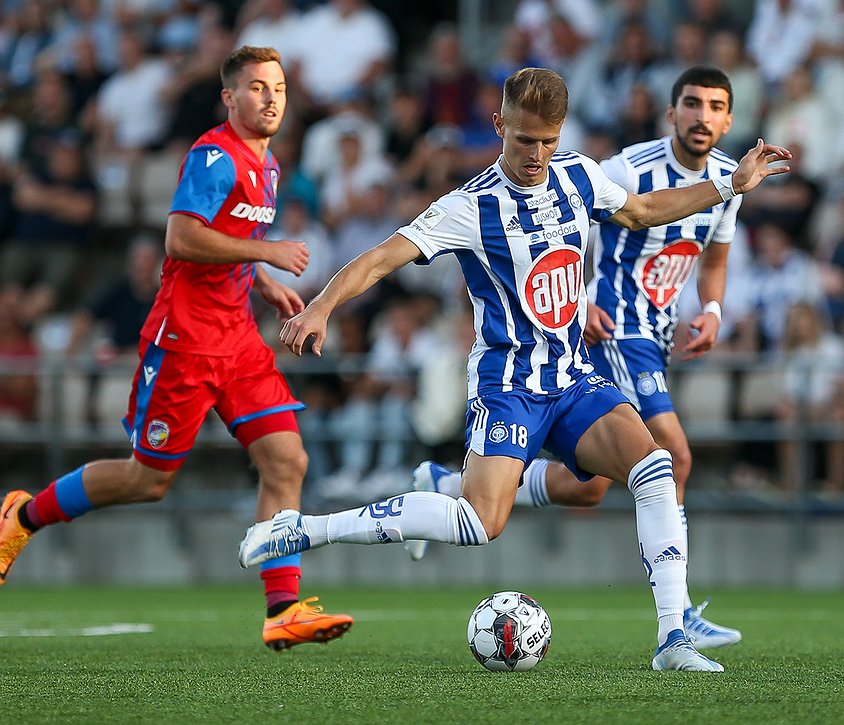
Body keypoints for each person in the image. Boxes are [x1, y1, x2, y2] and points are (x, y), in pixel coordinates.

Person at [238, 67, 790, 671]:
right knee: (480, 522)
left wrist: (729, 185)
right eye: (525, 140)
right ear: (499, 125)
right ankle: (305, 529)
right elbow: (381, 258)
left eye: (548, 141)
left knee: (655, 466)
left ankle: (672, 639)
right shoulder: (470, 207)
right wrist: (320, 306)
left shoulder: (579, 175)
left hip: (576, 376)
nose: (537, 154)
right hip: (509, 386)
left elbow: (644, 210)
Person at [0, 46, 353, 651]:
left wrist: (262, 282)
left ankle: (284, 608)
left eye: (279, 88)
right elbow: (182, 237)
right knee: (147, 481)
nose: (271, 99)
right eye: (258, 88)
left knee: (286, 460)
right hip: (185, 341)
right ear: (230, 98)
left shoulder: (267, 164)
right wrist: (267, 255)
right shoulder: (214, 155)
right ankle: (21, 516)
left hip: (237, 339)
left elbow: (234, 233)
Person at [405, 65, 746, 649]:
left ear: (729, 119)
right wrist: (581, 298)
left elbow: (713, 257)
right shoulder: (622, 167)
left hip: (657, 334)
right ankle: (677, 617)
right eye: (692, 103)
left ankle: (449, 481)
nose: (702, 116)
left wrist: (713, 308)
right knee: (671, 457)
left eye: (715, 107)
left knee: (588, 487)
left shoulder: (724, 178)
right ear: (672, 111)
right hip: (610, 329)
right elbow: (566, 228)